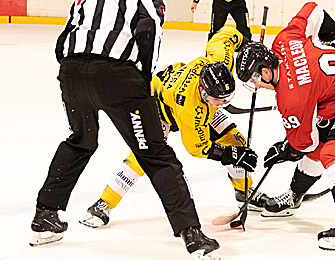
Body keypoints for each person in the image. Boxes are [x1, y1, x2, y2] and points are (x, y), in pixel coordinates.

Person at [32, 0, 222, 260]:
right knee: (156, 154)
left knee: (80, 140)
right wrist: (143, 83)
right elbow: (148, 33)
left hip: (72, 74)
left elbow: (64, 39)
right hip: (119, 79)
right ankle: (193, 236)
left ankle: (45, 215)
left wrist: (71, 74)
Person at [81, 27, 275, 227]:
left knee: (235, 141)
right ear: (203, 91)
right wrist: (230, 155)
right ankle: (104, 204)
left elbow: (225, 35)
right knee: (144, 155)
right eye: (218, 99)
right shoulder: (191, 111)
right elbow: (198, 147)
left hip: (182, 96)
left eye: (225, 99)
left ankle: (245, 192)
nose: (222, 103)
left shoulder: (218, 62)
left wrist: (247, 46)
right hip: (157, 105)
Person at [236, 2, 335, 250]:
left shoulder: (291, 98)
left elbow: (305, 143)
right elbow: (313, 9)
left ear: (264, 72)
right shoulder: (285, 41)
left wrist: (287, 150)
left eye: (254, 81)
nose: (257, 87)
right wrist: (329, 38)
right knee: (321, 144)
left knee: (332, 152)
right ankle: (295, 196)